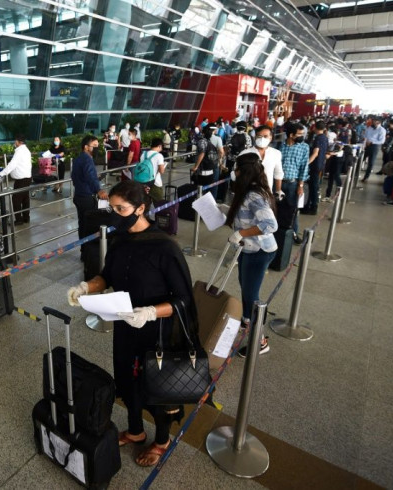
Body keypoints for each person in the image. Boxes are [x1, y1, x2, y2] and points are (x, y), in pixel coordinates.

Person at [66, 180, 195, 467]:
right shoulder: (120, 239)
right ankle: (136, 431)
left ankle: (161, 440)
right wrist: (87, 287)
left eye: (120, 209)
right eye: (111, 208)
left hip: (157, 331)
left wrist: (149, 312)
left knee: (158, 387)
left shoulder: (164, 247)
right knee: (127, 380)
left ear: (141, 208)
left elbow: (184, 299)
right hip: (126, 327)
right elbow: (107, 276)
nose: (114, 215)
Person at [225, 153, 278, 357]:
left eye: (236, 168)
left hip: (259, 251)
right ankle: (248, 323)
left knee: (251, 297)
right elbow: (246, 216)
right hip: (249, 249)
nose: (234, 172)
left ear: (243, 172)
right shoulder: (248, 191)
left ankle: (260, 341)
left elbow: (270, 224)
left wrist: (241, 233)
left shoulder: (253, 195)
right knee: (246, 290)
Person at [71, 135, 108, 258]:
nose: (97, 148)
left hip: (79, 195)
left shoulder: (79, 159)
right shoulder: (87, 159)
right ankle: (89, 253)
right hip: (87, 198)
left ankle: (84, 251)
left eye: (98, 146)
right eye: (95, 146)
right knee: (91, 226)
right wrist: (98, 190)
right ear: (86, 147)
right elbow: (90, 176)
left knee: (83, 224)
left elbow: (76, 176)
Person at [279, 122, 309, 244]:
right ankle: (278, 233)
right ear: (291, 135)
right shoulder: (279, 146)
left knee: (293, 211)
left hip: (293, 184)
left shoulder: (304, 147)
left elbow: (304, 167)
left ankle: (293, 234)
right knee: (277, 209)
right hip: (278, 183)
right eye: (299, 134)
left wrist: (300, 185)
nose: (302, 136)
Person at [0, 135, 32, 225]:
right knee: (25, 198)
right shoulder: (26, 150)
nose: (14, 143)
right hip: (27, 178)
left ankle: (19, 220)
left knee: (16, 200)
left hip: (21, 180)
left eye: (15, 141)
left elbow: (12, 165)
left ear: (19, 142)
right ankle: (26, 218)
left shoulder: (19, 152)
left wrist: (0, 174)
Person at [239, 125, 283, 193]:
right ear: (255, 137)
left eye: (265, 136)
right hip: (247, 193)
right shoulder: (245, 153)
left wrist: (278, 190)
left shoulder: (276, 153)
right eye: (259, 136)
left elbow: (278, 173)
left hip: (267, 193)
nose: (262, 139)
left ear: (270, 138)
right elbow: (236, 173)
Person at [303, 120, 328, 215]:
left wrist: (307, 163)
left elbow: (315, 153)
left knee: (313, 187)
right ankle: (311, 205)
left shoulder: (318, 138)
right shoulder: (325, 138)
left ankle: (312, 207)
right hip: (320, 165)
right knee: (314, 186)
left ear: (315, 128)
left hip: (314, 166)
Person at [362, 117, 386, 182]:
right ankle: (355, 173)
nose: (373, 123)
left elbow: (382, 141)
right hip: (367, 145)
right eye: (373, 121)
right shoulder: (369, 128)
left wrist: (372, 142)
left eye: (375, 121)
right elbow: (366, 136)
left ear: (379, 122)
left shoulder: (382, 130)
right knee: (361, 159)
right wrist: (365, 141)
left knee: (371, 162)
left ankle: (366, 176)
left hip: (374, 146)